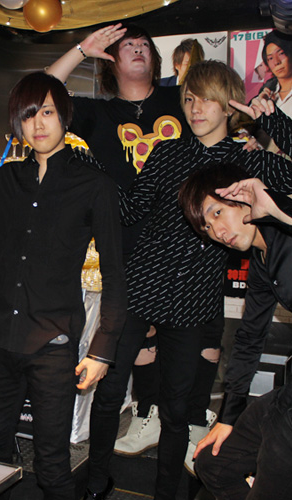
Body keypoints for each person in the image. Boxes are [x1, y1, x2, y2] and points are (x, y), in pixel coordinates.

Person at [111, 60, 292, 499]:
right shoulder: (168, 152)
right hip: (142, 287)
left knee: (180, 408)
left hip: (196, 300)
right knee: (112, 393)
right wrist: (91, 175)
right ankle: (99, 481)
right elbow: (131, 209)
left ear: (229, 106)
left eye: (208, 99)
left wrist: (273, 122)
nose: (196, 108)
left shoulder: (244, 159)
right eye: (189, 99)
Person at [0, 71, 126, 500]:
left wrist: (102, 350)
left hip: (53, 344)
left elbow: (115, 274)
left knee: (52, 464)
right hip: (2, 341)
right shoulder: (7, 179)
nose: (38, 124)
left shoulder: (93, 186)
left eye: (48, 113)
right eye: (28, 115)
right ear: (18, 124)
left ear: (65, 117)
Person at [46, 23, 190, 481]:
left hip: (184, 249)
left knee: (185, 374)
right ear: (111, 61)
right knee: (114, 376)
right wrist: (81, 50)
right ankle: (99, 477)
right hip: (125, 252)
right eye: (128, 44)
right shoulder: (98, 113)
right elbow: (41, 94)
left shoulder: (180, 101)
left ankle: (177, 449)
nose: (138, 49)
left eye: (145, 44)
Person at [179, 164, 292, 500]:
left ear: (244, 197)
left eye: (217, 212)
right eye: (206, 226)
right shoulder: (262, 262)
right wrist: (228, 417)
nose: (217, 230)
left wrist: (278, 206)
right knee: (212, 465)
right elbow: (249, 337)